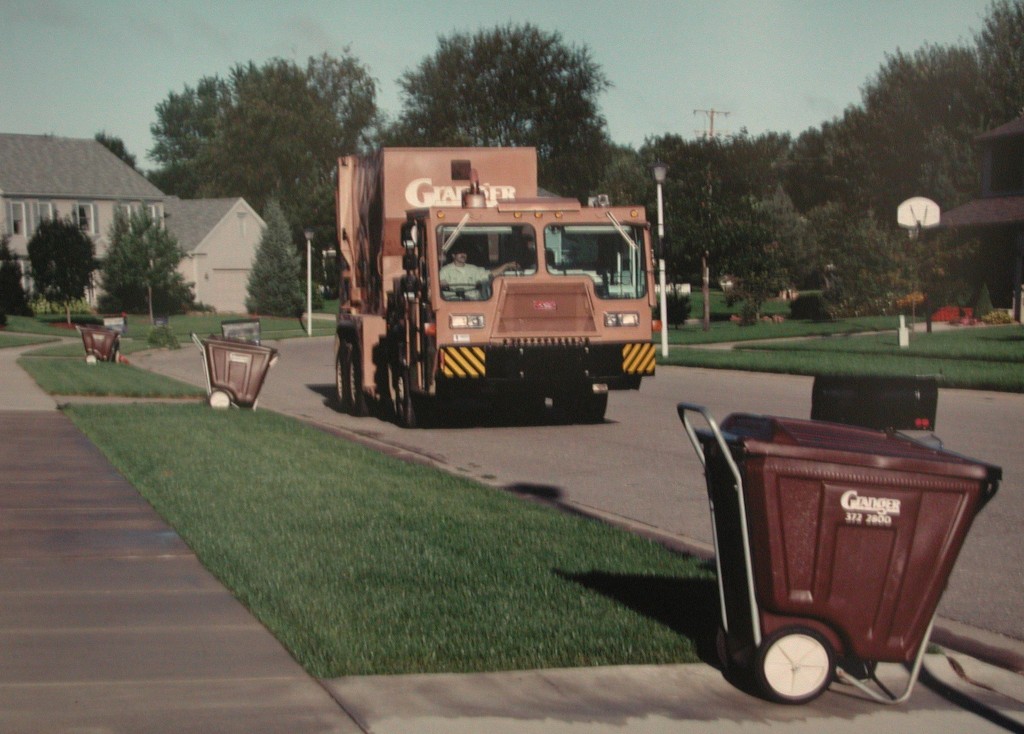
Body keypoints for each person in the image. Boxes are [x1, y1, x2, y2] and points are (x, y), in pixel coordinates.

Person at [440, 241, 518, 299]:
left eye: (464, 253)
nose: (463, 255)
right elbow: (439, 284)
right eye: (460, 253)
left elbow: (489, 275)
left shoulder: (474, 269)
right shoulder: (445, 271)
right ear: (453, 255)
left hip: (473, 302)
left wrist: (505, 266)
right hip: (452, 303)